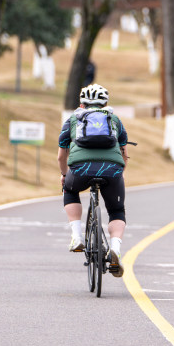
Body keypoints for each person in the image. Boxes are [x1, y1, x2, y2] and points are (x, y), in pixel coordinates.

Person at [58, 84, 129, 277]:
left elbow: (61, 156)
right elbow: (124, 154)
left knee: (70, 190)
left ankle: (77, 237)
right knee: (116, 210)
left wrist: (65, 175)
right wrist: (119, 174)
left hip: (81, 169)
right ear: (105, 103)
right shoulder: (114, 120)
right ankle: (115, 247)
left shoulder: (73, 120)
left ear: (81, 103)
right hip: (111, 169)